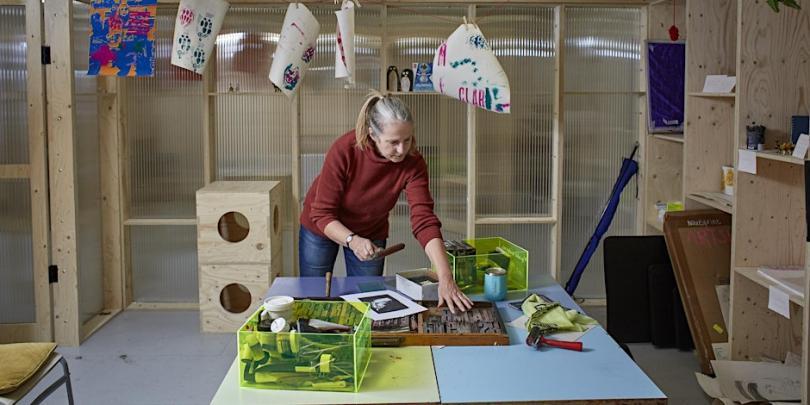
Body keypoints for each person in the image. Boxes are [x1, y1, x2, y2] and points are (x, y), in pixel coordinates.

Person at [299, 91, 473, 313]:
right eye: (393, 142)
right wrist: (352, 240)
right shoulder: (345, 149)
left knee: (368, 302)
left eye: (407, 140)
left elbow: (424, 220)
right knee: (313, 298)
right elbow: (323, 214)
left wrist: (446, 278)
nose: (402, 150)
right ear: (372, 134)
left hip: (371, 230)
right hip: (322, 227)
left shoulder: (413, 162)